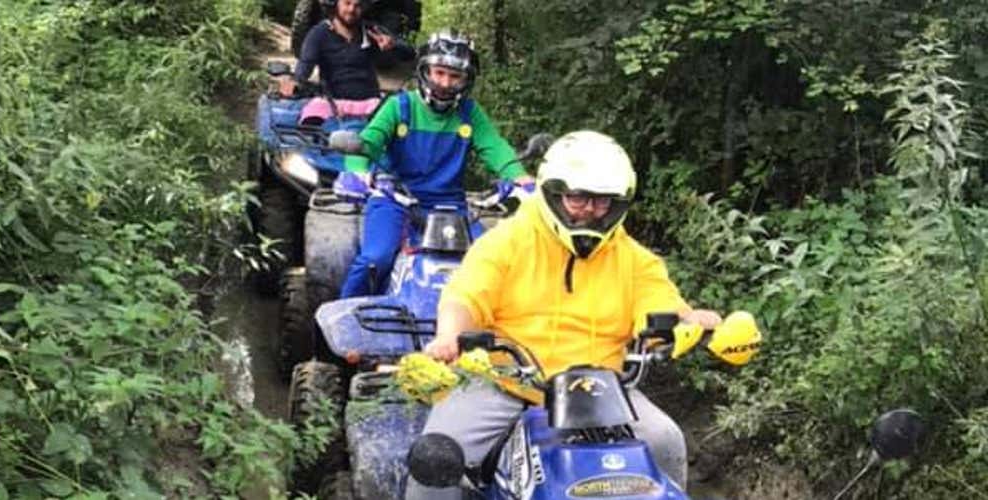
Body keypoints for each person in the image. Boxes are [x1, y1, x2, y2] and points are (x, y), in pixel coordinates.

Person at [405, 130, 723, 499]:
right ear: (553, 193)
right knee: (437, 459)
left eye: (602, 201)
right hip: (506, 383)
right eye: (578, 198)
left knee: (666, 440)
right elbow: (466, 296)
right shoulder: (507, 242)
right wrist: (449, 337)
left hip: (601, 394)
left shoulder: (634, 258)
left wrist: (689, 321)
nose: (589, 209)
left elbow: (659, 305)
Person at [334, 31, 534, 298]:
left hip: (451, 207)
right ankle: (341, 328)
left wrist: (523, 180)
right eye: (439, 73)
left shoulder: (469, 113)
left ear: (466, 80)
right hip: (394, 199)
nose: (445, 83)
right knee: (376, 258)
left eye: (454, 76)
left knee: (493, 263)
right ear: (424, 71)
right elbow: (367, 144)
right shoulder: (400, 106)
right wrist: (357, 173)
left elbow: (495, 148)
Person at [281, 0, 415, 123]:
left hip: (370, 104)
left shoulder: (371, 31)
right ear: (336, 4)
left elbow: (409, 54)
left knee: (399, 125)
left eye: (357, 5)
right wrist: (294, 82)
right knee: (308, 121)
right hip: (331, 103)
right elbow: (305, 65)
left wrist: (393, 45)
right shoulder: (319, 34)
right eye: (347, 3)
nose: (351, 9)